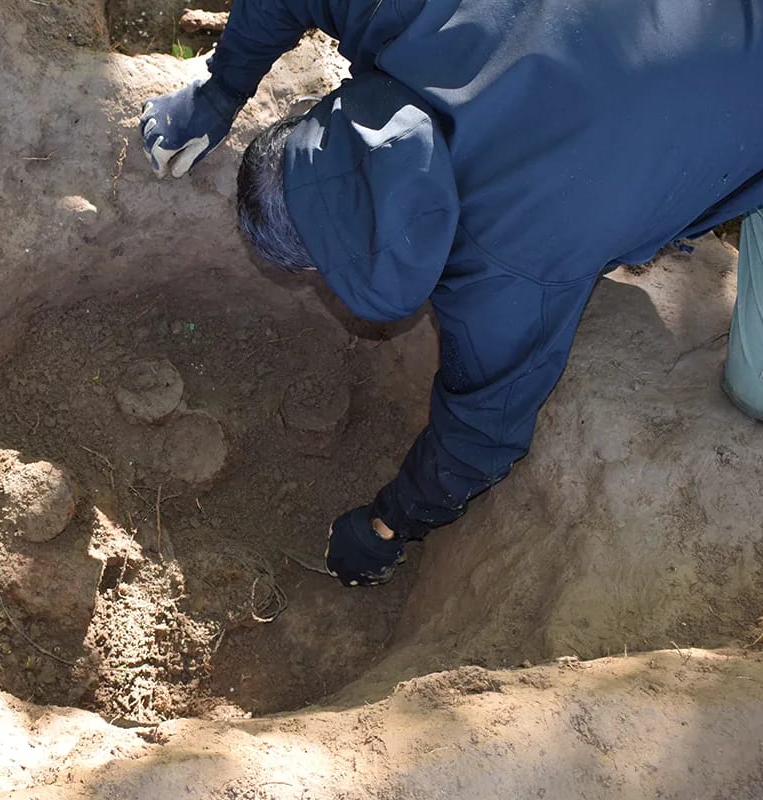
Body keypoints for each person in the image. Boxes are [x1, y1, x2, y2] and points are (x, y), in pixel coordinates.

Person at [138, 0, 763, 588]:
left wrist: (387, 528)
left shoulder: (510, 267)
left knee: (752, 388)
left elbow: (483, 433)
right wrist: (218, 91)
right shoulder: (411, 18)